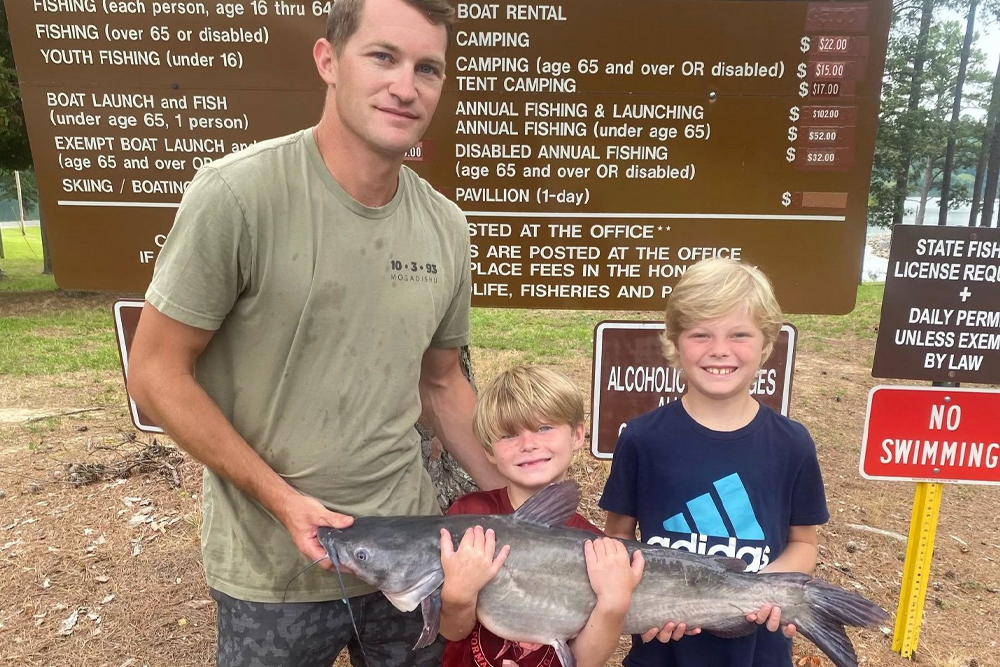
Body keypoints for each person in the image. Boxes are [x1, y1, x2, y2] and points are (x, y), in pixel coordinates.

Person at [127, 0, 506, 665]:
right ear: (328, 60)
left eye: (428, 69)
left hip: (412, 559)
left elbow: (442, 383)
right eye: (383, 57)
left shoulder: (446, 226)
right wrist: (283, 501)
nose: (405, 86)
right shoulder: (237, 196)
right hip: (271, 569)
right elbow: (156, 374)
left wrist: (517, 502)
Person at [600, 258, 830, 667]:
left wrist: (758, 593)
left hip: (760, 650)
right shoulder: (641, 438)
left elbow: (803, 543)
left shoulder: (793, 443)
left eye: (739, 334)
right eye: (700, 334)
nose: (719, 350)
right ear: (674, 343)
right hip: (661, 651)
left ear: (766, 344)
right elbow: (618, 542)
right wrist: (642, 607)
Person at [438, 365, 644, 667]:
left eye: (544, 428)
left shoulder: (597, 549)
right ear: (489, 452)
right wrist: (458, 594)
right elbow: (451, 631)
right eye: (508, 435)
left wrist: (613, 605)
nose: (528, 444)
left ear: (577, 434)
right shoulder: (467, 518)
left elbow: (585, 661)